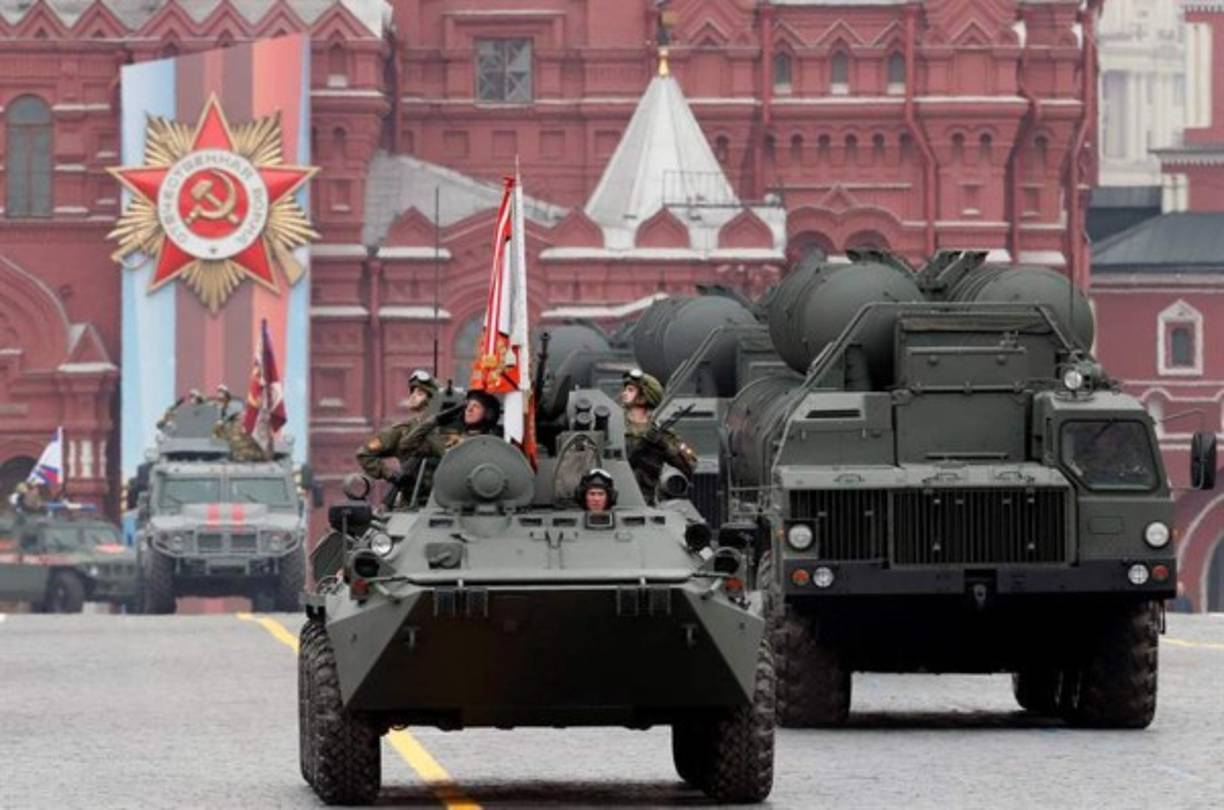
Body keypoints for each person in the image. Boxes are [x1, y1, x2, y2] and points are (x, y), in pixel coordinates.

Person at [620, 368, 696, 499]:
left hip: (647, 500)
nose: (624, 393)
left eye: (630, 390)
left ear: (644, 397)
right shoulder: (614, 423)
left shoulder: (661, 432)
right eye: (625, 389)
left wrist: (663, 445)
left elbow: (691, 465)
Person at [356, 370, 440, 483]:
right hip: (411, 497)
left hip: (442, 497)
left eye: (420, 393)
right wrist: (391, 475)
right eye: (412, 392)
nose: (413, 396)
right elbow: (364, 453)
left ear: (431, 400)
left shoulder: (445, 429)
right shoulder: (402, 430)